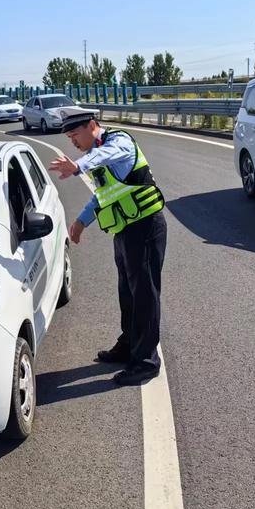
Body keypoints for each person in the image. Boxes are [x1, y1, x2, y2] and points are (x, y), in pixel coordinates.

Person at [49, 110, 167, 386]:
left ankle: (146, 363)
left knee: (145, 297)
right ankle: (129, 345)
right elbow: (102, 196)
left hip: (146, 228)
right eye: (68, 138)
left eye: (75, 135)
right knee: (128, 294)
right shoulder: (98, 153)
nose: (73, 142)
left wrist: (78, 166)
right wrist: (79, 223)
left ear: (92, 126)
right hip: (125, 231)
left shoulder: (119, 143)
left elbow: (101, 157)